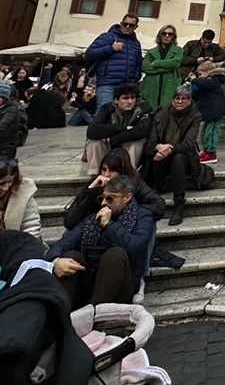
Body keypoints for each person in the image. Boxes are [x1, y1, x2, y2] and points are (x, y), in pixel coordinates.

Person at [47, 174, 156, 309]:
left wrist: (109, 225)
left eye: (110, 198)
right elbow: (64, 242)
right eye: (102, 198)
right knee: (72, 256)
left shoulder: (143, 216)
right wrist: (56, 261)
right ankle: (62, 313)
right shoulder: (93, 218)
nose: (104, 203)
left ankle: (95, 313)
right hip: (91, 279)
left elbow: (135, 247)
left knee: (115, 254)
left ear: (127, 197)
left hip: (121, 284)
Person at [142, 86, 210, 225]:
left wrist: (168, 149)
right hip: (161, 156)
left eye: (184, 99)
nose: (180, 101)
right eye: (177, 98)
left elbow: (188, 144)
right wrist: (158, 147)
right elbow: (150, 144)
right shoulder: (161, 114)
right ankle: (158, 187)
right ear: (172, 100)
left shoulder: (194, 115)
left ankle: (179, 202)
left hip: (184, 156)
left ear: (189, 101)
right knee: (159, 154)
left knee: (177, 158)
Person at [64, 147, 166, 228]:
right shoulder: (96, 185)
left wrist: (122, 209)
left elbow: (159, 206)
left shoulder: (135, 183)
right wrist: (90, 190)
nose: (106, 174)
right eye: (104, 169)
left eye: (112, 171)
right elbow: (70, 221)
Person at [84, 83, 152, 175]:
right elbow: (92, 130)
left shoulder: (143, 108)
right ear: (116, 100)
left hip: (125, 144)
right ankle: (96, 175)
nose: (130, 101)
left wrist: (112, 139)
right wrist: (123, 128)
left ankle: (129, 175)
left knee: (137, 141)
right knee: (95, 141)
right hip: (108, 148)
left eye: (133, 98)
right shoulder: (107, 108)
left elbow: (142, 131)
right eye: (125, 98)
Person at [86, 15, 144, 108]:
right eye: (125, 24)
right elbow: (89, 54)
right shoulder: (108, 37)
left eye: (131, 25)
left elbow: (138, 63)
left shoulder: (136, 43)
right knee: (104, 112)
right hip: (107, 82)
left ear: (135, 27)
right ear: (121, 24)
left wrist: (135, 78)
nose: (128, 27)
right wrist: (111, 48)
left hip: (127, 85)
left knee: (123, 113)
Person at [190, 60, 225, 163]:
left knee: (211, 132)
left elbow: (205, 84)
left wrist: (194, 80)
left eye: (201, 74)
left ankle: (211, 153)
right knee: (205, 132)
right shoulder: (207, 82)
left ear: (208, 71)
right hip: (209, 111)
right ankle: (206, 151)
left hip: (215, 111)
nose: (200, 76)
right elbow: (198, 94)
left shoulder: (214, 79)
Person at [139, 25, 184, 110]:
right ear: (160, 35)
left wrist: (156, 63)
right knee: (149, 111)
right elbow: (145, 67)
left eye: (170, 34)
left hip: (169, 84)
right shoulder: (151, 52)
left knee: (166, 112)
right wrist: (164, 69)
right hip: (152, 86)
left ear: (173, 37)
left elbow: (175, 63)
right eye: (164, 33)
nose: (167, 36)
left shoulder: (179, 50)